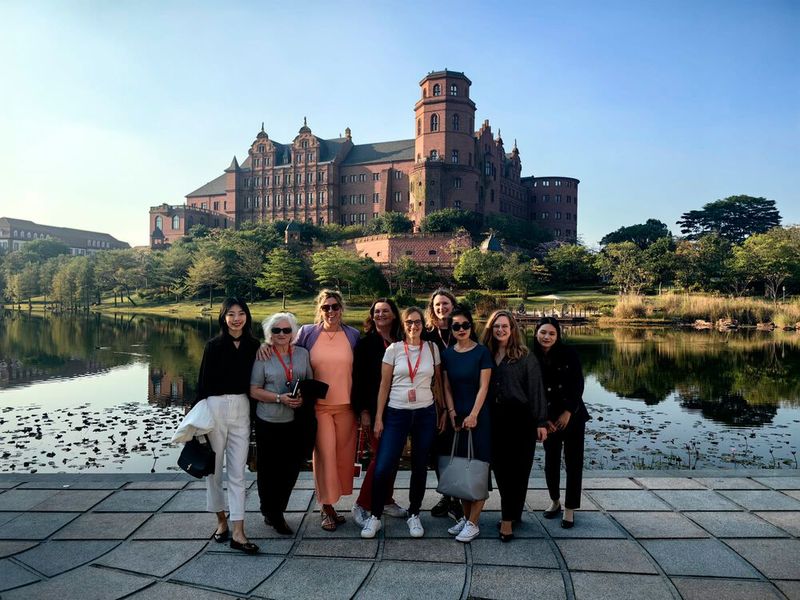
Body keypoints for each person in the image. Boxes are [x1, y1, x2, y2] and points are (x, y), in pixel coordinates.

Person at [360, 307, 443, 539]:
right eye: (409, 322)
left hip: (425, 414)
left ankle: (414, 513)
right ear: (403, 324)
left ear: (422, 325)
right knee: (384, 465)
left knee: (419, 465)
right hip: (396, 413)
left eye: (417, 322)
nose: (413, 326)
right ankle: (375, 516)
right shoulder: (394, 350)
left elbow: (437, 383)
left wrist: (443, 411)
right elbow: (383, 386)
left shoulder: (432, 349)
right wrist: (378, 417)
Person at [195, 297, 260, 554]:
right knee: (214, 470)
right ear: (223, 317)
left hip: (242, 408)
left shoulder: (255, 346)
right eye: (231, 314)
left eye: (241, 313)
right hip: (215, 407)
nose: (236, 318)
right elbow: (202, 384)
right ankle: (221, 520)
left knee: (237, 473)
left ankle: (239, 531)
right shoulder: (213, 346)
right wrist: (197, 423)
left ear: (247, 316)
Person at [295, 289, 360, 531]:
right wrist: (266, 348)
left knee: (343, 458)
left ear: (341, 308)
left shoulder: (353, 335)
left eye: (334, 306)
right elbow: (290, 356)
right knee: (324, 456)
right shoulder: (308, 333)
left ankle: (333, 502)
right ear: (319, 310)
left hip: (347, 407)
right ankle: (325, 507)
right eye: (326, 307)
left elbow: (360, 371)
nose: (330, 311)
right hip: (319, 407)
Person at [481, 310, 548, 542]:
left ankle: (509, 519)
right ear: (491, 329)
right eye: (496, 326)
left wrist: (541, 421)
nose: (500, 330)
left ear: (512, 329)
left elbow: (536, 389)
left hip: (521, 419)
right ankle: (511, 515)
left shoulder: (524, 356)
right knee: (501, 470)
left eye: (505, 326)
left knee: (519, 471)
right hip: (494, 418)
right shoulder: (485, 354)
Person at [249, 312, 312, 536]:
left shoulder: (303, 354)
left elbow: (308, 383)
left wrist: (302, 398)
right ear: (270, 334)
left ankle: (276, 509)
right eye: (276, 331)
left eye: (286, 330)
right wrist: (279, 398)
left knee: (292, 467)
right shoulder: (263, 355)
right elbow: (254, 389)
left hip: (294, 422)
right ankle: (272, 512)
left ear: (293, 333)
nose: (282, 334)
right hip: (268, 420)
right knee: (268, 469)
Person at [351, 298, 407, 527]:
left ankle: (385, 499)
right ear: (372, 316)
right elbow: (359, 380)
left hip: (401, 408)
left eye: (386, 311)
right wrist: (363, 411)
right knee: (381, 458)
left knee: (392, 458)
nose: (381, 315)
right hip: (375, 410)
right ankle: (363, 503)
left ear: (394, 314)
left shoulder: (403, 341)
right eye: (377, 312)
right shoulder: (366, 345)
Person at [441, 306, 493, 542]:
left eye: (465, 325)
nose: (461, 329)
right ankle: (465, 517)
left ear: (471, 326)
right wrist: (452, 412)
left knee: (479, 468)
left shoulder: (482, 352)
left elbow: (484, 386)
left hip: (478, 417)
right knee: (461, 467)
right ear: (451, 329)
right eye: (456, 326)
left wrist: (473, 414)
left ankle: (474, 522)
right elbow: (447, 387)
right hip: (457, 418)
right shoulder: (448, 354)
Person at [533, 316, 590, 529]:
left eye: (551, 333)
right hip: (548, 418)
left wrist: (568, 411)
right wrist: (543, 418)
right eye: (543, 333)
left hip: (573, 415)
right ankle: (555, 500)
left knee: (574, 462)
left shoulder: (569, 354)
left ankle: (569, 508)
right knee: (551, 461)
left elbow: (578, 384)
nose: (547, 337)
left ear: (557, 336)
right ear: (536, 333)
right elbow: (532, 391)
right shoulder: (531, 357)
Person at [421, 288, 463, 521]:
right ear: (432, 308)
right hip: (435, 399)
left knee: (457, 449)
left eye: (445, 304)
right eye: (437, 305)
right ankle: (447, 495)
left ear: (452, 305)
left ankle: (457, 497)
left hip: (462, 398)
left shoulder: (463, 329)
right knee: (438, 450)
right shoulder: (428, 334)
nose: (441, 308)